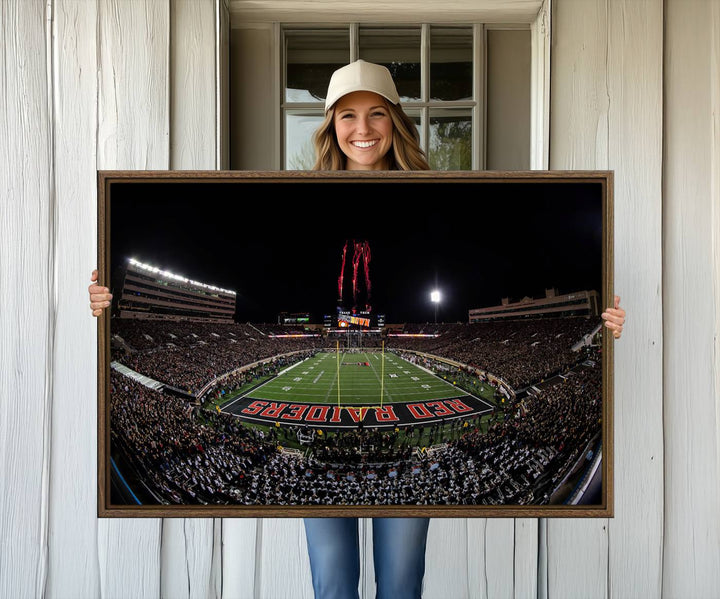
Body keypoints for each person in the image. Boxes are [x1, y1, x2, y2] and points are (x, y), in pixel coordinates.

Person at [88, 59, 627, 599]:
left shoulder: (438, 191)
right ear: (330, 125)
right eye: (347, 116)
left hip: (402, 485)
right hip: (328, 481)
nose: (362, 129)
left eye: (376, 114)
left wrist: (598, 321)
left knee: (400, 584)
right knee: (333, 584)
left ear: (395, 120)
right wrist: (108, 303)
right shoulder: (299, 192)